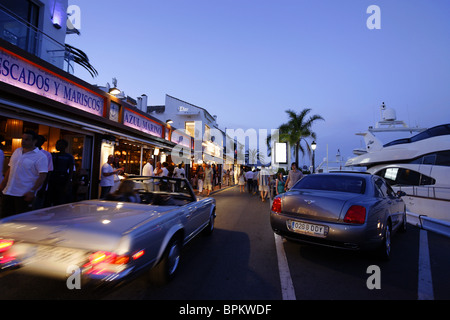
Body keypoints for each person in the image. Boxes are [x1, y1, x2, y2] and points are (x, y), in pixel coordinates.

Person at [0, 130, 48, 217]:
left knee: (21, 219)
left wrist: (33, 191)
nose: (23, 141)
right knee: (4, 217)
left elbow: (42, 175)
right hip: (8, 191)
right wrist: (3, 184)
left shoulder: (41, 156)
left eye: (27, 139)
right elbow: (11, 168)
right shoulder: (17, 151)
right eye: (23, 139)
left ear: (34, 141)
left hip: (23, 194)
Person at [47, 139, 74, 206]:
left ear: (64, 146)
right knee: (50, 198)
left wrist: (68, 184)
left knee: (60, 199)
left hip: (62, 179)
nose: (57, 146)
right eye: (56, 144)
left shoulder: (69, 157)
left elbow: (71, 171)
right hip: (52, 179)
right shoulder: (52, 155)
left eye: (59, 144)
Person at [33, 135, 53, 209]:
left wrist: (43, 188)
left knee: (37, 207)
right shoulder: (28, 152)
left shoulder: (46, 154)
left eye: (40, 140)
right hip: (27, 184)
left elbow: (48, 172)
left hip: (40, 186)